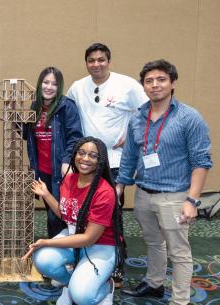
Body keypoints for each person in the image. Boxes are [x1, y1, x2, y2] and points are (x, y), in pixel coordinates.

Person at [116, 59, 212, 305]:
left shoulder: (189, 118)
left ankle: (179, 300)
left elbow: (201, 162)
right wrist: (120, 185)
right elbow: (130, 156)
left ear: (172, 83)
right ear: (143, 86)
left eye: (161, 79)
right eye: (149, 81)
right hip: (144, 194)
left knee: (179, 252)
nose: (155, 85)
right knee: (153, 242)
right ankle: (154, 284)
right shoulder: (138, 118)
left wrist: (192, 200)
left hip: (175, 196)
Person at [66, 42, 148, 284]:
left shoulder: (127, 85)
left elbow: (146, 110)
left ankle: (117, 265)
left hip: (115, 163)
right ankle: (83, 257)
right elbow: (66, 113)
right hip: (86, 163)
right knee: (83, 214)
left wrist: (133, 133)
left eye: (101, 60)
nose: (96, 64)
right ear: (86, 63)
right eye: (91, 60)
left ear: (109, 61)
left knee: (113, 216)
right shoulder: (78, 87)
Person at [23, 137, 125, 305]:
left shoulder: (105, 192)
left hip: (100, 245)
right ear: (75, 154)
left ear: (100, 161)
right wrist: (46, 194)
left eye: (93, 155)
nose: (85, 159)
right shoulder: (69, 180)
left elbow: (89, 238)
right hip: (74, 236)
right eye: (82, 153)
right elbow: (66, 215)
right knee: (43, 259)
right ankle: (73, 284)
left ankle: (107, 286)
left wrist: (47, 241)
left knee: (83, 297)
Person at [24, 66, 83, 239]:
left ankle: (69, 249)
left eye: (54, 84)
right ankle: (55, 247)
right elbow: (27, 136)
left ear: (60, 87)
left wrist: (67, 160)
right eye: (46, 82)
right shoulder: (35, 106)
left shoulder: (66, 106)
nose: (49, 87)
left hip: (62, 172)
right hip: (42, 172)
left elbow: (75, 137)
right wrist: (15, 118)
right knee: (51, 211)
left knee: (63, 213)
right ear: (39, 84)